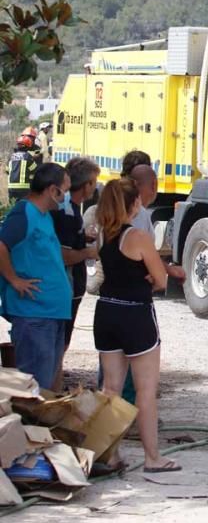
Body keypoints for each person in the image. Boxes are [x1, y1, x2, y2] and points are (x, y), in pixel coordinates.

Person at [93, 179, 178, 472]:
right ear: (135, 204)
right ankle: (152, 457)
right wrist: (150, 279)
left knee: (110, 387)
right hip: (136, 314)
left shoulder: (103, 234)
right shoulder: (138, 237)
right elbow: (161, 280)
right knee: (145, 390)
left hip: (106, 311)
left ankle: (108, 455)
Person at [0, 163, 73, 389]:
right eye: (65, 189)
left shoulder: (44, 216)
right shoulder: (24, 214)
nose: (67, 196)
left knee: (45, 383)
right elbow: (2, 245)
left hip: (50, 313)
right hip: (34, 315)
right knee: (33, 386)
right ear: (53, 190)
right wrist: (14, 280)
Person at [52, 157, 101, 391]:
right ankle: (54, 385)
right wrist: (89, 251)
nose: (95, 187)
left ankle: (56, 380)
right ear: (86, 184)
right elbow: (65, 253)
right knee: (60, 339)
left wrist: (84, 238)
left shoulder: (71, 208)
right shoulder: (66, 211)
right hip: (66, 284)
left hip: (71, 285)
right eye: (94, 182)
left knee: (62, 338)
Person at [7, 134, 43, 201]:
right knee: (23, 207)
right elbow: (35, 169)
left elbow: (7, 170)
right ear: (27, 147)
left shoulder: (11, 156)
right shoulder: (27, 156)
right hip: (23, 189)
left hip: (11, 188)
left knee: (12, 207)